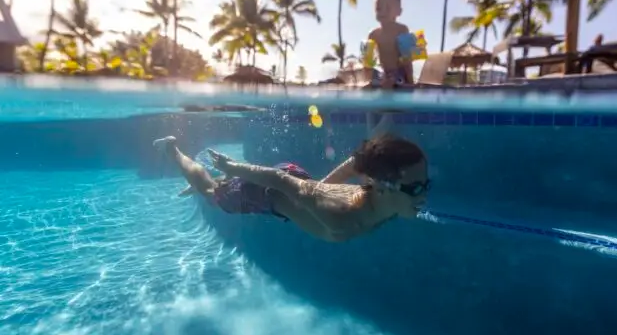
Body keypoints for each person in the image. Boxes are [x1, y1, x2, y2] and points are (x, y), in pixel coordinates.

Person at [153, 134, 430, 242]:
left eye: (426, 184)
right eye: (417, 188)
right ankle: (172, 149)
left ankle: (228, 179)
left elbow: (359, 160)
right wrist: (233, 168)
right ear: (382, 187)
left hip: (298, 180)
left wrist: (317, 189)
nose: (425, 195)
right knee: (212, 194)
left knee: (296, 190)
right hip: (268, 191)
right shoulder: (340, 217)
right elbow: (279, 181)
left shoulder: (388, 202)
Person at [367, 0, 414, 89]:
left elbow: (407, 58)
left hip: (399, 74)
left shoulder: (402, 30)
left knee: (393, 81)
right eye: (379, 9)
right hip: (382, 74)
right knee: (374, 78)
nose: (382, 12)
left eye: (387, 8)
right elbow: (368, 62)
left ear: (399, 12)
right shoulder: (373, 34)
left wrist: (410, 81)